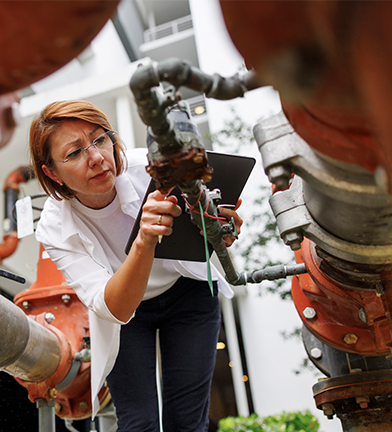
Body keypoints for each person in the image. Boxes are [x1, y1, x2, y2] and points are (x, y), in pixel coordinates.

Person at [29, 100, 242, 432]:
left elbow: (213, 231)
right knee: (138, 423)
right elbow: (112, 307)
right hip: (126, 315)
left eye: (100, 139)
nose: (97, 157)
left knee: (186, 421)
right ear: (51, 172)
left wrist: (219, 228)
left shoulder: (153, 167)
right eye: (74, 153)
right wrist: (143, 240)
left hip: (188, 293)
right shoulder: (53, 228)